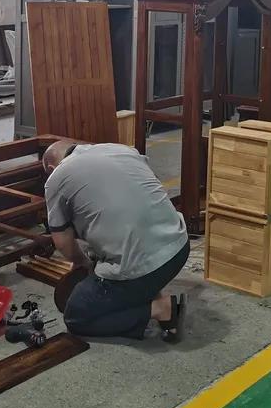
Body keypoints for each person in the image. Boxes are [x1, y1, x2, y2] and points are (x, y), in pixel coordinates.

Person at [43, 140, 189, 342]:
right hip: (179, 247)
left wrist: (82, 262)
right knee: (127, 249)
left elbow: (62, 243)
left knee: (76, 316)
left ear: (51, 168)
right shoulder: (120, 149)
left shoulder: (56, 178)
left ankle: (160, 309)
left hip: (146, 265)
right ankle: (148, 290)